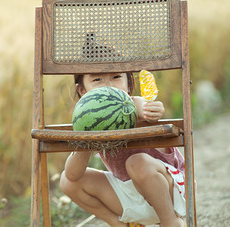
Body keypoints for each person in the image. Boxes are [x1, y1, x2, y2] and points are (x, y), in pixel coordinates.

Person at [59, 72, 186, 227]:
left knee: (137, 162)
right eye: (97, 79)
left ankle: (170, 222)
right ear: (83, 91)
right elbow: (73, 175)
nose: (109, 85)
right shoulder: (89, 119)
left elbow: (142, 107)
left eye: (116, 77)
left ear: (129, 84)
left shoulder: (131, 105)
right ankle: (120, 224)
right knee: (67, 180)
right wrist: (85, 139)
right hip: (130, 196)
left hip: (169, 191)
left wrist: (150, 110)